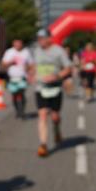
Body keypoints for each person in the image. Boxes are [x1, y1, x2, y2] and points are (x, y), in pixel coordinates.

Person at [30, 29, 72, 157]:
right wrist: (31, 74)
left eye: (42, 38)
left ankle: (57, 129)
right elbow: (33, 66)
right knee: (42, 114)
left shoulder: (58, 51)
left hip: (55, 88)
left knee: (54, 116)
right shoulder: (36, 51)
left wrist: (57, 76)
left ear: (50, 38)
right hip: (40, 87)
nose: (40, 40)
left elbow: (68, 68)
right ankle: (43, 145)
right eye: (38, 38)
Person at [1, 38, 32, 119]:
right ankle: (17, 111)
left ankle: (22, 111)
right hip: (12, 77)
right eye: (16, 43)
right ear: (13, 44)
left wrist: (29, 71)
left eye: (19, 43)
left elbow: (31, 64)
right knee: (14, 95)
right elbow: (3, 64)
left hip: (22, 77)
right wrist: (10, 62)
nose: (17, 45)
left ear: (21, 44)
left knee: (21, 93)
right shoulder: (9, 52)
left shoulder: (26, 52)